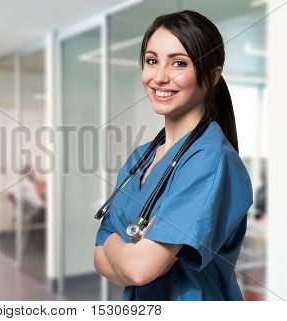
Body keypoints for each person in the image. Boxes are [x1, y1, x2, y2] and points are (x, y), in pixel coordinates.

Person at [93, 10, 253, 301]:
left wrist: (117, 244)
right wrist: (128, 253)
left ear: (213, 76)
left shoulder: (211, 161)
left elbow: (138, 269)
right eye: (152, 61)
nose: (160, 77)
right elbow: (98, 259)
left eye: (179, 63)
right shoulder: (140, 159)